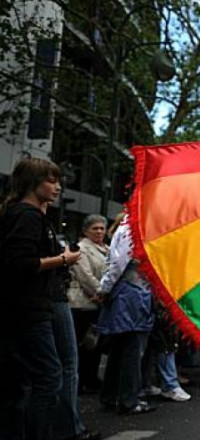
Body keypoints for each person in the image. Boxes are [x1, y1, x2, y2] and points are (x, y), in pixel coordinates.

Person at [0, 158, 81, 440]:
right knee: (48, 377)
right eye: (51, 181)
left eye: (58, 181)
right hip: (29, 310)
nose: (57, 187)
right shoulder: (27, 216)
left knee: (20, 381)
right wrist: (62, 259)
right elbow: (19, 262)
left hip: (27, 308)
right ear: (32, 183)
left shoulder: (29, 215)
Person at [96, 217, 156, 415]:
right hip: (131, 295)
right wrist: (103, 288)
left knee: (120, 349)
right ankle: (128, 400)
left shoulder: (135, 227)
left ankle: (112, 396)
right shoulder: (131, 229)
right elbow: (117, 264)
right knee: (130, 349)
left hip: (131, 294)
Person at [69, 214, 109, 393]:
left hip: (98, 304)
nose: (99, 231)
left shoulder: (107, 249)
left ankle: (91, 378)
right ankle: (80, 381)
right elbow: (85, 276)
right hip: (82, 304)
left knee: (94, 345)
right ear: (86, 231)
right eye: (95, 228)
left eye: (102, 228)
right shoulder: (81, 249)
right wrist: (101, 292)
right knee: (82, 345)